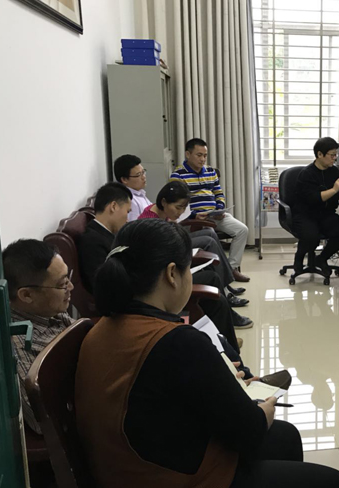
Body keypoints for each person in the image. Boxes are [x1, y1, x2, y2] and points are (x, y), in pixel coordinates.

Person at [75, 219, 339, 488]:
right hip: (177, 487)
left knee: (286, 436)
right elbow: (250, 432)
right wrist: (264, 411)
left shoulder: (101, 328)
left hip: (133, 471)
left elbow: (156, 395)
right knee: (336, 485)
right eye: (188, 269)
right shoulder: (177, 341)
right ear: (172, 274)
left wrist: (216, 381)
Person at [78, 183, 251, 349]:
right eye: (127, 211)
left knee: (212, 281)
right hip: (144, 290)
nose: (128, 217)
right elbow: (104, 285)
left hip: (148, 280)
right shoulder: (93, 241)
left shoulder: (108, 234)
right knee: (212, 287)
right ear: (114, 206)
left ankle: (223, 340)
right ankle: (227, 345)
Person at [3, 239, 75, 433]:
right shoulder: (18, 343)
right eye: (62, 284)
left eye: (68, 278)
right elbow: (42, 420)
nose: (70, 287)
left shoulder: (48, 311)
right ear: (27, 295)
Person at [139, 180, 248, 308]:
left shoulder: (161, 211)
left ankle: (226, 285)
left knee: (210, 232)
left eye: (183, 208)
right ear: (164, 202)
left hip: (173, 242)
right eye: (178, 207)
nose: (180, 212)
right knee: (209, 241)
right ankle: (225, 292)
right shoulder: (151, 222)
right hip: (170, 251)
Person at [171, 138, 250, 282]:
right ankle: (217, 271)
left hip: (215, 215)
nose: (202, 159)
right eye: (199, 155)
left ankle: (231, 269)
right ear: (188, 154)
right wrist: (195, 215)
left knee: (242, 230)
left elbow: (219, 194)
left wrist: (219, 209)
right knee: (210, 235)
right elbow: (177, 203)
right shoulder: (178, 175)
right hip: (194, 219)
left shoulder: (210, 171)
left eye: (205, 155)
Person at [292, 137, 339, 276]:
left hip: (325, 214)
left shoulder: (334, 172)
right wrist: (334, 189)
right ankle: (299, 256)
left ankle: (321, 259)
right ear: (320, 154)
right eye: (332, 155)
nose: (334, 158)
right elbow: (314, 198)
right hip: (306, 214)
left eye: (336, 155)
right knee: (311, 236)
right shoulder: (307, 174)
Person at [113, 154, 151, 222]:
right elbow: (133, 226)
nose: (143, 177)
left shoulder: (139, 193)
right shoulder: (130, 201)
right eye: (138, 174)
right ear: (124, 179)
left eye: (143, 172)